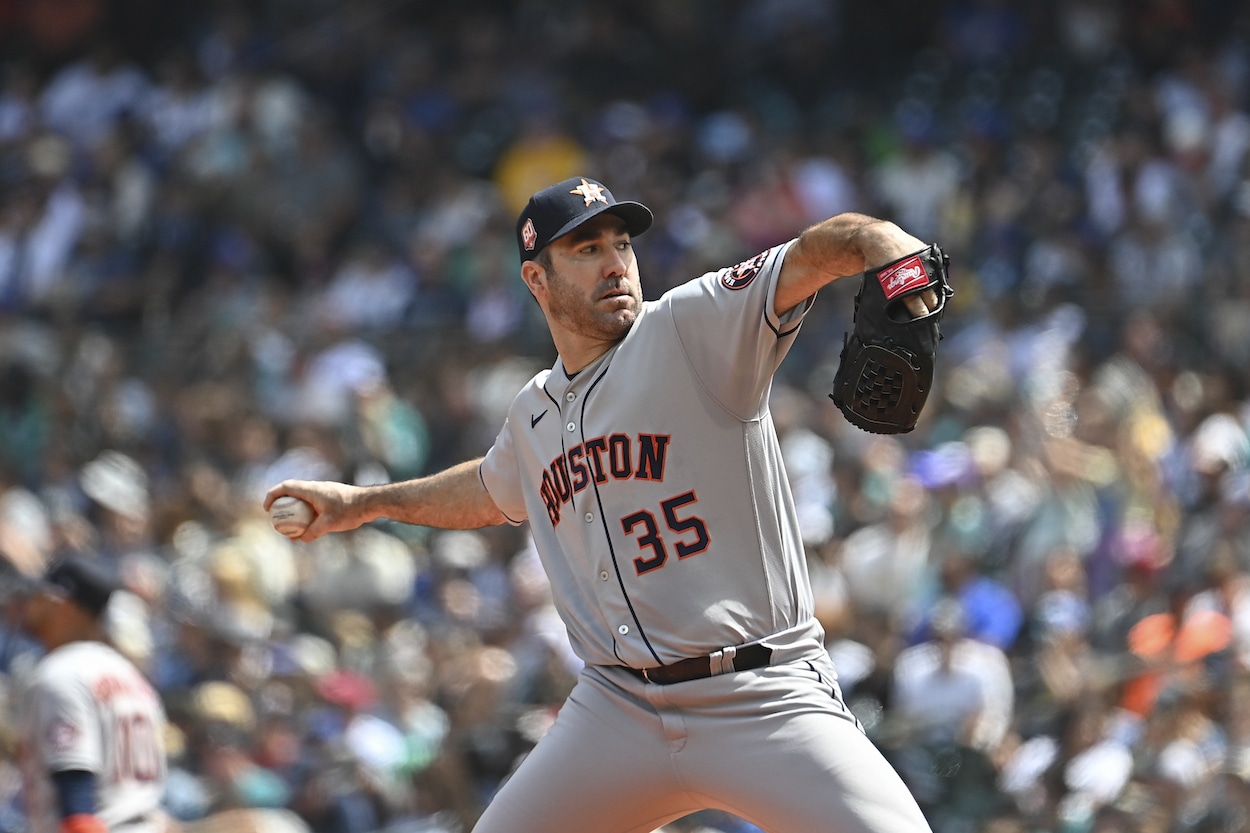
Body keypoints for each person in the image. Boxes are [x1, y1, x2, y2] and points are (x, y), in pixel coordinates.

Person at [266, 175, 940, 833]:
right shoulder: (534, 409)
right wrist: (361, 504)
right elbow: (488, 489)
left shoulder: (690, 328)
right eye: (586, 250)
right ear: (537, 279)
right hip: (619, 708)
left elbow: (821, 251)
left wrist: (883, 242)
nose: (615, 263)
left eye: (621, 244)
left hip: (759, 692)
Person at [14, 556, 170, 833]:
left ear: (65, 606)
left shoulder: (61, 674)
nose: (30, 603)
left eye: (39, 597)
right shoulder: (133, 678)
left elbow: (77, 801)